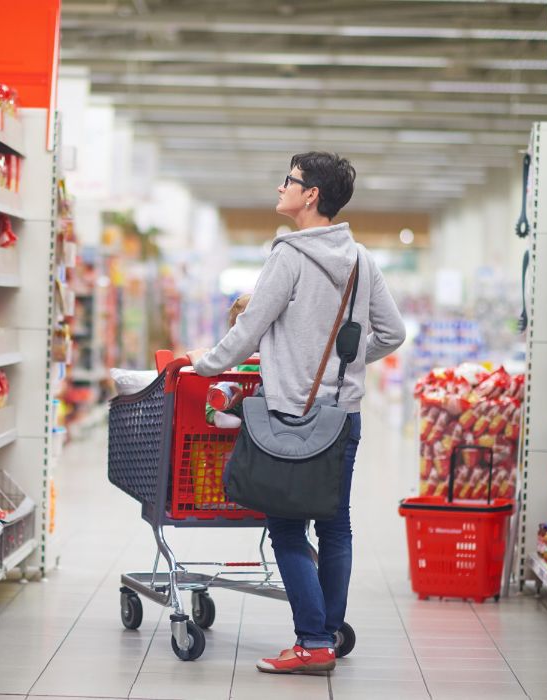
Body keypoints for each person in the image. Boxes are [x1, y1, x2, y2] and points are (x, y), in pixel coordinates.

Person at [186, 152, 406, 675]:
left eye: (290, 180)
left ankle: (312, 642)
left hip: (290, 414)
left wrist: (205, 364)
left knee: (286, 531)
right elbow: (393, 333)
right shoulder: (360, 259)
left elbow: (249, 331)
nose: (281, 186)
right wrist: (344, 366)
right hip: (341, 416)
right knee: (335, 527)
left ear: (310, 196)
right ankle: (326, 632)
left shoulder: (288, 256)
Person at [204, 294, 258, 430]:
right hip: (242, 401)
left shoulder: (244, 354)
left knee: (214, 398)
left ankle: (217, 414)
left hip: (249, 401)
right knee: (221, 391)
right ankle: (220, 415)